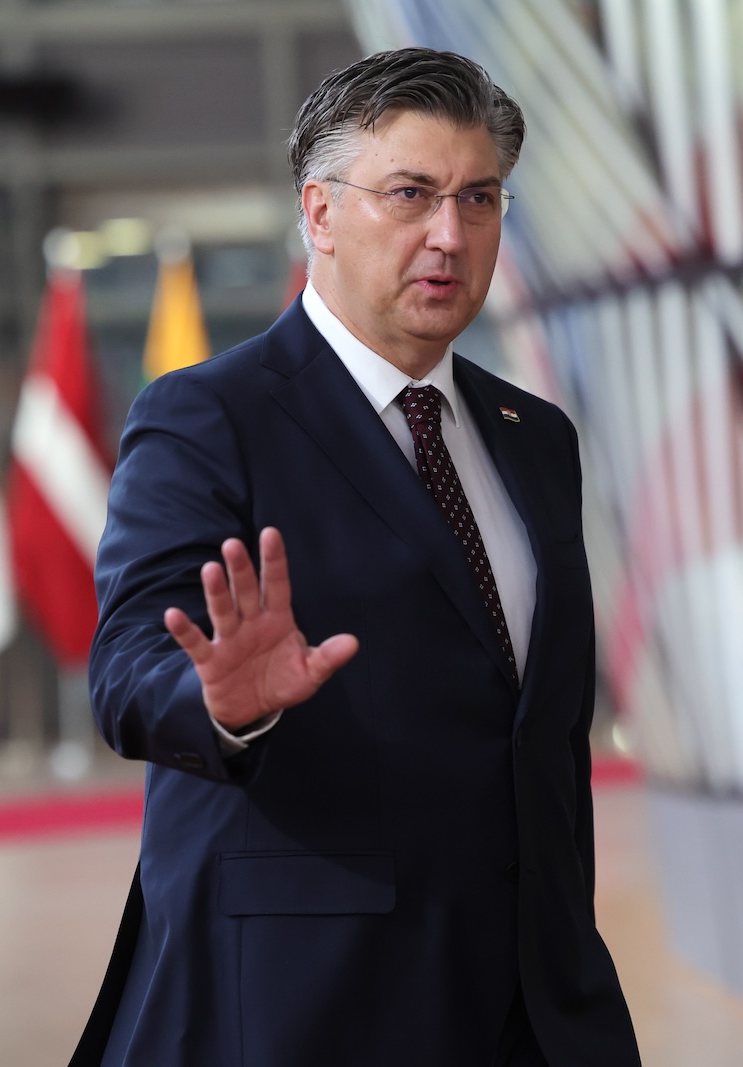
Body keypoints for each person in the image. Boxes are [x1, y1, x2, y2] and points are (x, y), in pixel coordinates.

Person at [74, 48, 641, 1067]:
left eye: (480, 198)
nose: (449, 233)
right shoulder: (209, 416)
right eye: (411, 194)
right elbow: (124, 669)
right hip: (312, 1001)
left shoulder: (535, 436)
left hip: (538, 998)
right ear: (320, 212)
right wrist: (223, 700)